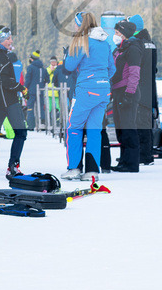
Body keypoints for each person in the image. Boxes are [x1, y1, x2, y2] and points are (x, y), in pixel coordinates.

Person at [60, 12, 114, 180]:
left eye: (76, 24)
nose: (75, 27)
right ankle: (92, 171)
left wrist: (67, 55)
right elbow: (112, 69)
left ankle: (74, 168)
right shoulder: (104, 42)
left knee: (74, 128)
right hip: (103, 89)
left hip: (86, 90)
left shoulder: (81, 41)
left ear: (80, 25)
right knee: (94, 130)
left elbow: (69, 66)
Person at [0, 27, 28, 178]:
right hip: (7, 101)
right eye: (8, 38)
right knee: (21, 133)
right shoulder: (1, 56)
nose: (11, 41)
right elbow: (6, 81)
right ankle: (13, 166)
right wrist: (21, 88)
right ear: (0, 39)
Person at [111, 19, 143, 172]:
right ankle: (124, 160)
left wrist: (129, 94)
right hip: (117, 91)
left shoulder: (133, 49)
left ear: (124, 34)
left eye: (117, 33)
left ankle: (131, 163)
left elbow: (134, 73)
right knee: (120, 129)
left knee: (128, 128)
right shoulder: (119, 49)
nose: (115, 35)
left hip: (127, 92)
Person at [129, 15, 159, 165]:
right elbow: (154, 69)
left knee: (139, 123)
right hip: (150, 89)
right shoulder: (151, 43)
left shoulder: (137, 44)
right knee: (146, 123)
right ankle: (147, 154)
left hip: (139, 88)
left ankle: (143, 156)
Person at [24, 51, 47, 129]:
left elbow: (28, 79)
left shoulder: (30, 67)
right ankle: (43, 125)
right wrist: (42, 85)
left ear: (32, 59)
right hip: (41, 90)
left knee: (30, 107)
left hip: (31, 91)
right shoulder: (43, 68)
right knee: (41, 107)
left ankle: (31, 125)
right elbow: (48, 80)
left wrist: (25, 88)